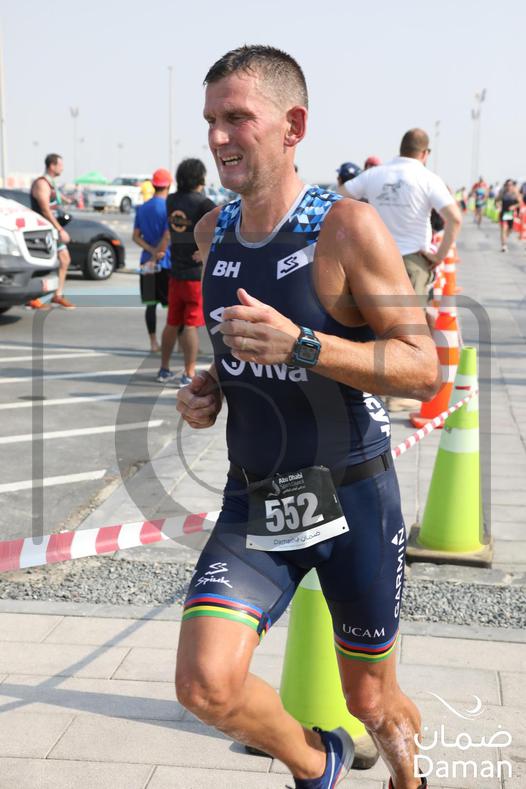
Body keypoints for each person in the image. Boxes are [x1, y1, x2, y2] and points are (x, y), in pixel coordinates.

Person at [175, 45, 439, 789]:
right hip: (258, 495)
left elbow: (422, 367)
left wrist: (305, 345)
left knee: (371, 700)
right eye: (211, 120)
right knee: (204, 685)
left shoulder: (346, 228)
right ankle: (318, 761)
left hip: (353, 496)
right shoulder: (212, 234)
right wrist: (209, 391)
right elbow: (239, 355)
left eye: (237, 118)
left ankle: (409, 778)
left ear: (292, 125)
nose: (218, 137)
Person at [338, 128, 461, 411]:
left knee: (370, 322)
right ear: (425, 153)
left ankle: (366, 387)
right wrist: (439, 256)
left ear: (401, 148)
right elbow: (454, 218)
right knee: (409, 333)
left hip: (373, 257)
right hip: (412, 260)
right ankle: (397, 395)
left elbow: (339, 197)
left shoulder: (375, 174)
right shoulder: (427, 178)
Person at [156, 158, 215, 384]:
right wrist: (204, 250)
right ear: (199, 177)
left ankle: (163, 369)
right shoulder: (204, 203)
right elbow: (224, 227)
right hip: (194, 274)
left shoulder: (171, 200)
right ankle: (189, 373)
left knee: (172, 322)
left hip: (175, 271)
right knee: (191, 324)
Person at [132, 168, 172, 352]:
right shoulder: (169, 207)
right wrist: (158, 253)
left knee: (150, 305)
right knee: (172, 306)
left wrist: (150, 251)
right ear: (168, 185)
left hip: (146, 262)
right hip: (166, 261)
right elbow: (167, 235)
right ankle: (175, 343)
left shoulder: (143, 208)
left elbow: (135, 236)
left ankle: (153, 343)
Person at [29, 153, 75, 310]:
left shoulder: (51, 184)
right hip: (43, 230)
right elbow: (45, 210)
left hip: (52, 229)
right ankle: (32, 298)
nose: (62, 168)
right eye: (60, 165)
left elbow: (55, 198)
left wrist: (67, 200)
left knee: (64, 259)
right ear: (52, 166)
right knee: (40, 263)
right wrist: (60, 229)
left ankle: (57, 296)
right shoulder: (41, 183)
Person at [496, 179, 521, 252]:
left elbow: (520, 203)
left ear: (513, 186)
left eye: (511, 185)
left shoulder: (515, 193)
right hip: (503, 213)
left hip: (511, 214)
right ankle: (504, 245)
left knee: (510, 229)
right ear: (506, 185)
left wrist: (514, 206)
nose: (509, 186)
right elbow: (497, 200)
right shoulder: (503, 193)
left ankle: (504, 239)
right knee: (503, 229)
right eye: (507, 185)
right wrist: (498, 206)